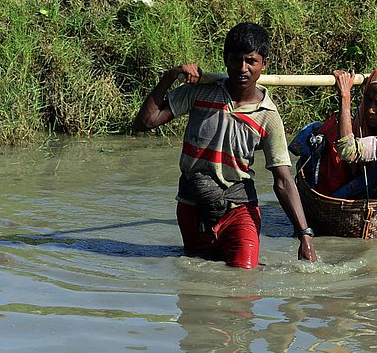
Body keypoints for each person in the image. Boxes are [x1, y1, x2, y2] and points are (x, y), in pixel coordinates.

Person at [131, 22, 319, 268]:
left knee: (244, 280)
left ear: (264, 64)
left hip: (239, 208)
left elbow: (283, 179)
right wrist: (170, 76)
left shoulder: (267, 116)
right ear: (225, 60)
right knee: (196, 284)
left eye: (251, 61)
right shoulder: (200, 92)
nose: (243, 68)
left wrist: (304, 234)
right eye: (236, 60)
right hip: (193, 207)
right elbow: (144, 123)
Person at [290, 67, 377, 200]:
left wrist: (345, 96)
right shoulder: (362, 122)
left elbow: (348, 151)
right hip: (359, 182)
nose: (370, 110)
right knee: (316, 130)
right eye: (368, 101)